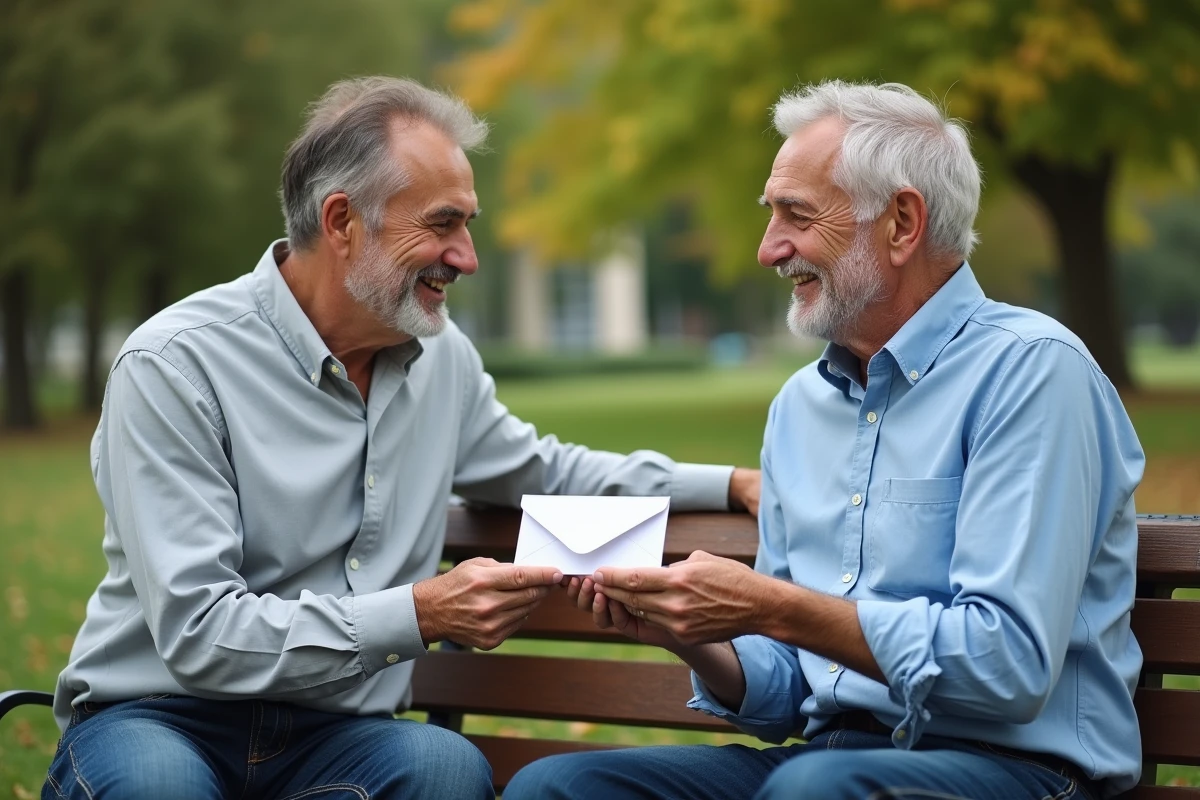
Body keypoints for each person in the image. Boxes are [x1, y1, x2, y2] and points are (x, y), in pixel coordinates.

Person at [43, 76, 761, 800]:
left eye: (468, 224)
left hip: (340, 737)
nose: (467, 256)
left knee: (444, 770)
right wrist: (421, 613)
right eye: (443, 223)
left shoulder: (441, 357)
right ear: (342, 221)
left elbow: (540, 469)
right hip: (161, 718)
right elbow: (201, 633)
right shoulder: (175, 364)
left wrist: (729, 484)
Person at [507, 80, 1144, 800]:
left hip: (1015, 771)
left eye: (796, 216)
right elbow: (788, 689)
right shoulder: (800, 405)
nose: (768, 248)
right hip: (829, 763)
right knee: (558, 787)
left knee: (815, 789)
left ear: (902, 223)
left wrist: (771, 605)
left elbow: (1007, 668)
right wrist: (685, 629)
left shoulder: (1031, 373)